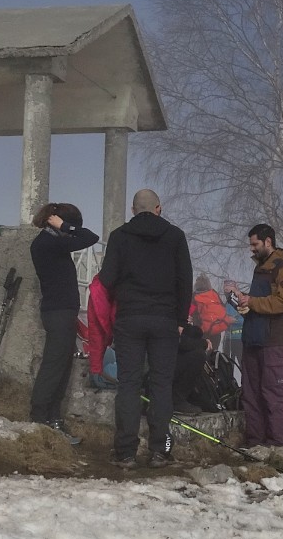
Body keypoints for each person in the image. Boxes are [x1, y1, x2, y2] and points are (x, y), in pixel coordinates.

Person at [97, 189, 192, 469]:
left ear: (133, 209)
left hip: (130, 318)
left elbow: (107, 278)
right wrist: (180, 321)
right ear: (159, 208)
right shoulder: (175, 236)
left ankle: (125, 452)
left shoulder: (119, 237)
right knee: (162, 384)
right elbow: (185, 281)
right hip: (165, 321)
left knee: (129, 384)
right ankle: (160, 450)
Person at [29, 202, 100, 444]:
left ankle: (53, 418)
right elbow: (90, 237)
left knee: (62, 367)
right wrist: (66, 226)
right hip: (57, 312)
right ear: (56, 221)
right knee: (53, 366)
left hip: (62, 311)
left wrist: (63, 226)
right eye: (66, 226)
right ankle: (39, 418)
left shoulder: (53, 242)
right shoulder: (47, 242)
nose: (70, 231)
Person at [235, 224, 283, 449]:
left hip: (273, 340)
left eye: (255, 244)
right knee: (251, 392)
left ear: (268, 241)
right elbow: (261, 301)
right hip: (252, 337)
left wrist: (252, 302)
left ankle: (279, 444)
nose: (251, 249)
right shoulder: (260, 267)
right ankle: (256, 442)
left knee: (273, 391)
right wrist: (244, 303)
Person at [189, 274, 228, 349]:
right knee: (213, 355)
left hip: (201, 332)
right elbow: (223, 309)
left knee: (201, 355)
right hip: (216, 332)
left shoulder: (194, 296)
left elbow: (189, 312)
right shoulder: (214, 293)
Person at [222, 279, 244, 360]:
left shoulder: (240, 301)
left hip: (239, 339)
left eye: (229, 289)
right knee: (227, 366)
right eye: (225, 289)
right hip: (227, 339)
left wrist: (234, 320)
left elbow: (246, 319)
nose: (226, 292)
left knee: (242, 364)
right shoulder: (226, 304)